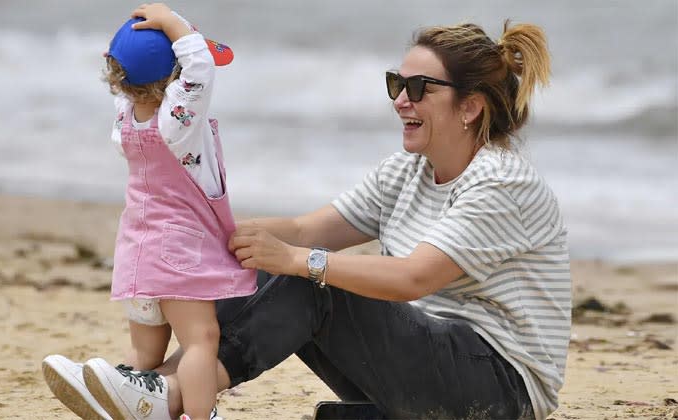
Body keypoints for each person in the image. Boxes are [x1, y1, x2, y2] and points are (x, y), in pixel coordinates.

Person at [44, 19, 569, 420]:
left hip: (499, 389)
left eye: (418, 88)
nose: (400, 101)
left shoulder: (501, 183)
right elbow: (303, 230)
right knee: (268, 264)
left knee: (314, 279)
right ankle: (156, 384)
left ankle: (165, 392)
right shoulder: (406, 171)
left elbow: (415, 277)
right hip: (424, 368)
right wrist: (204, 237)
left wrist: (296, 260)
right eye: (395, 84)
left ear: (471, 107)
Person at [43, 3, 255, 420]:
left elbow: (137, 72)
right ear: (175, 79)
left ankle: (122, 395)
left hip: (137, 251)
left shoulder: (125, 119)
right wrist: (174, 23)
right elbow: (199, 69)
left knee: (145, 350)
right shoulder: (178, 122)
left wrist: (133, 43)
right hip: (179, 249)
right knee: (200, 339)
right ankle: (200, 415)